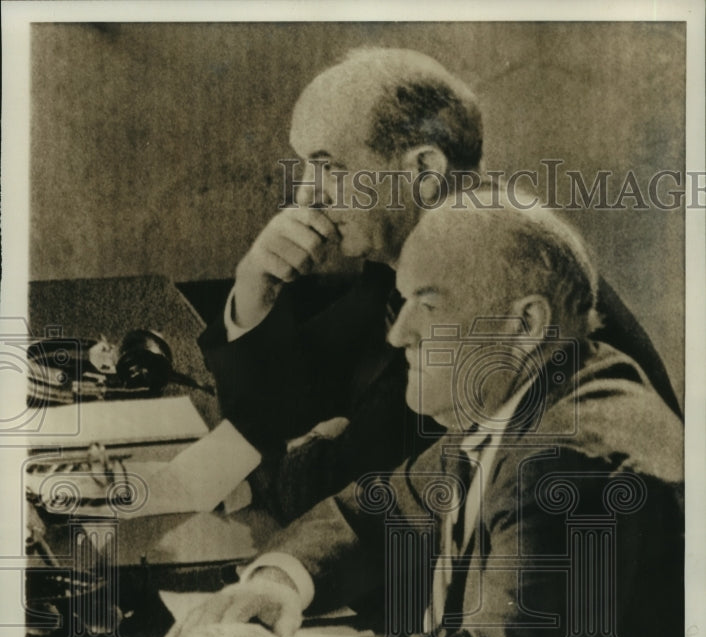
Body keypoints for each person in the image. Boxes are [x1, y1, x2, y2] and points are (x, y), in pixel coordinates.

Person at [176, 198, 684, 637]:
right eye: (401, 301)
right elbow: (379, 506)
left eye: (429, 305)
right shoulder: (535, 392)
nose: (398, 334)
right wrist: (281, 582)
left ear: (524, 322)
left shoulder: (568, 461)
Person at [198, 47, 680, 524]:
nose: (307, 194)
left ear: (424, 171)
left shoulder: (482, 295)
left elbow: (326, 496)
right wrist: (253, 285)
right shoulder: (408, 261)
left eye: (331, 168)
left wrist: (314, 447)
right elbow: (283, 407)